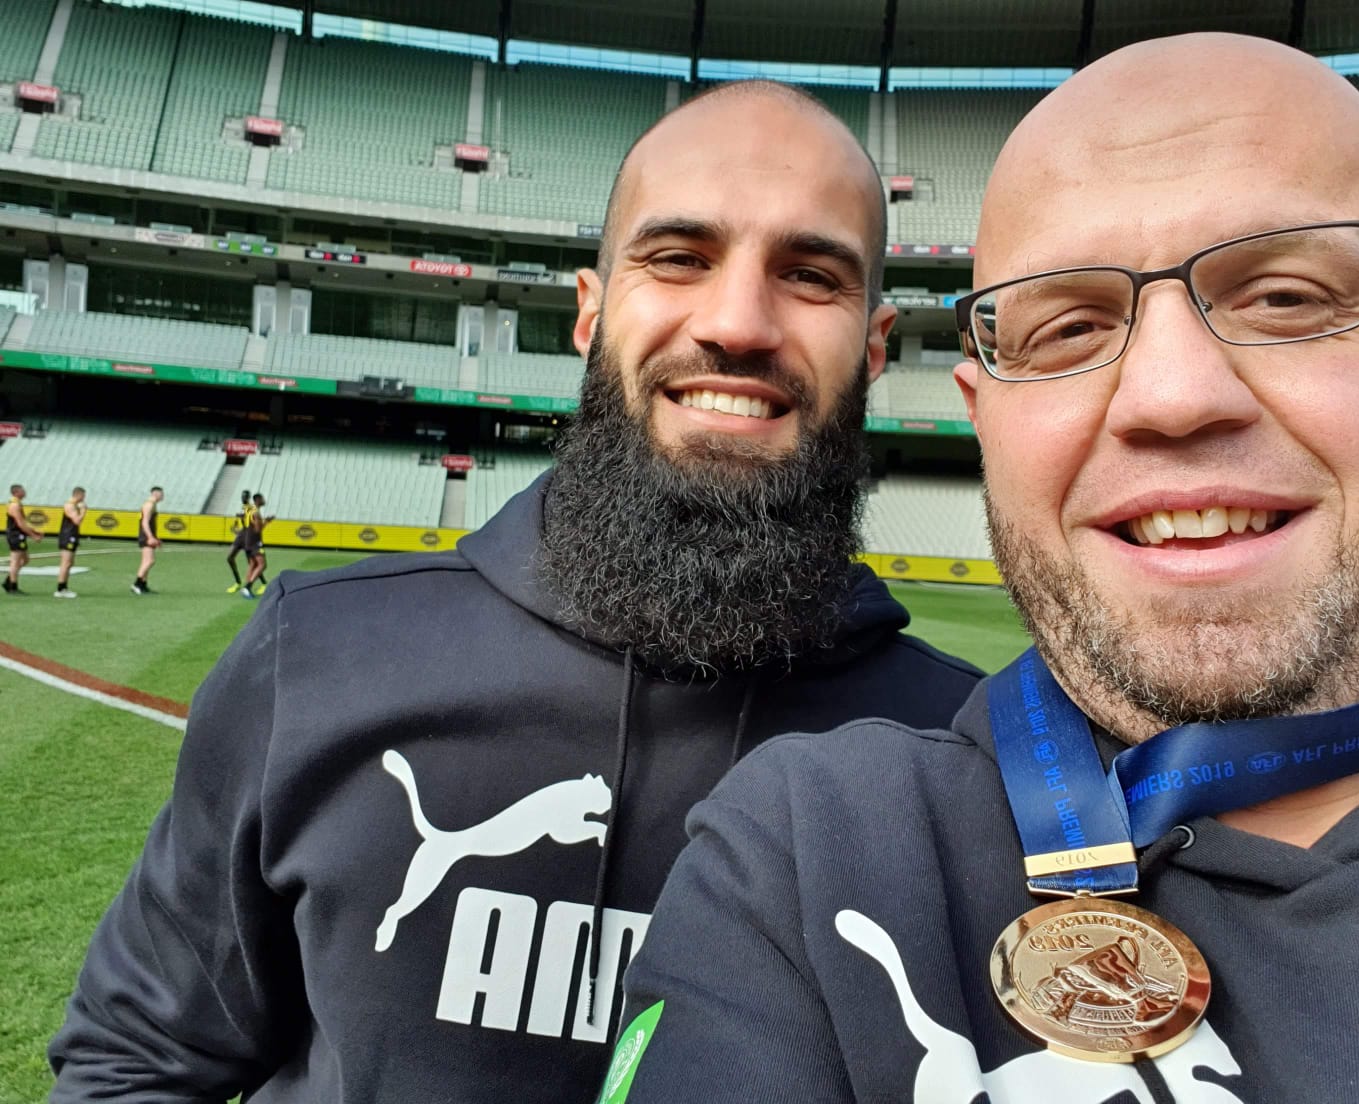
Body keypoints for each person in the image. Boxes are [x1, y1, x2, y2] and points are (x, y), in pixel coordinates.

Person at [48, 81, 985, 1103]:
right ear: (590, 311)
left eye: (810, 275)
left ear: (877, 345)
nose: (736, 322)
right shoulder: (319, 655)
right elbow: (134, 1062)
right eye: (677, 257)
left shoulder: (959, 755)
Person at [609, 34, 1359, 1104]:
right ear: (984, 423)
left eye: (1284, 297)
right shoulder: (812, 858)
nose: (1168, 395)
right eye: (1066, 327)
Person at [4, 483, 44, 594]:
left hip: (18, 535)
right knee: (15, 561)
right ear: (16, 492)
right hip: (15, 535)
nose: (25, 492)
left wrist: (34, 531)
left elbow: (22, 523)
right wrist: (33, 536)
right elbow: (20, 524)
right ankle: (13, 587)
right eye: (22, 490)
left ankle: (9, 580)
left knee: (25, 560)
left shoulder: (17, 504)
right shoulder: (14, 505)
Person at [239, 493, 272, 599]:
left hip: (247, 541)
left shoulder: (250, 510)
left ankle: (245, 589)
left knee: (253, 564)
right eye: (262, 498)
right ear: (257, 500)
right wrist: (266, 522)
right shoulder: (256, 513)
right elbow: (258, 530)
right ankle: (247, 588)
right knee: (262, 564)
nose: (264, 500)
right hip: (255, 542)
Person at [55, 487, 86, 598]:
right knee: (66, 562)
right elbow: (77, 521)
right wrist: (83, 511)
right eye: (83, 496)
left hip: (72, 536)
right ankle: (60, 588)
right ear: (78, 495)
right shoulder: (70, 505)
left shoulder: (73, 505)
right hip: (67, 536)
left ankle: (64, 586)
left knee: (69, 563)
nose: (84, 499)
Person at [132, 486, 163, 596]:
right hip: (145, 536)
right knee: (150, 561)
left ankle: (143, 585)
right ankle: (137, 584)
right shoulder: (149, 505)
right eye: (161, 494)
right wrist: (150, 537)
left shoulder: (151, 505)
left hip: (147, 535)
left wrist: (155, 537)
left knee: (146, 561)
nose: (163, 496)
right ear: (156, 494)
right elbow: (145, 522)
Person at [224, 489, 253, 594]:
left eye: (245, 496)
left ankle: (263, 583)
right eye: (242, 496)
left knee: (251, 562)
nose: (243, 498)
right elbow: (238, 523)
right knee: (230, 558)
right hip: (242, 535)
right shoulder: (242, 508)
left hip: (248, 536)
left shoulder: (250, 509)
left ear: (248, 498)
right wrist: (236, 528)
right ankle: (238, 582)